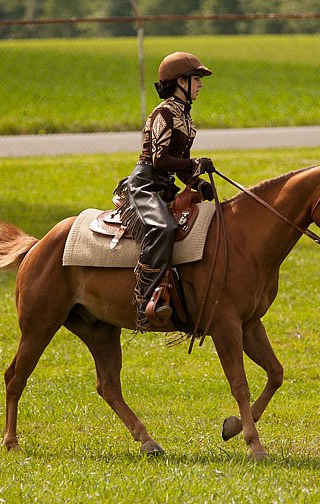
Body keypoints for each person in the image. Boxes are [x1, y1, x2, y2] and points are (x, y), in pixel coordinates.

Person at [126, 51, 216, 331]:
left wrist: (197, 181)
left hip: (165, 186)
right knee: (163, 228)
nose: (200, 85)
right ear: (180, 82)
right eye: (196, 79)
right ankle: (145, 303)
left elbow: (179, 168)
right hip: (145, 186)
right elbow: (159, 160)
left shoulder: (185, 117)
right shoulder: (164, 113)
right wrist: (195, 163)